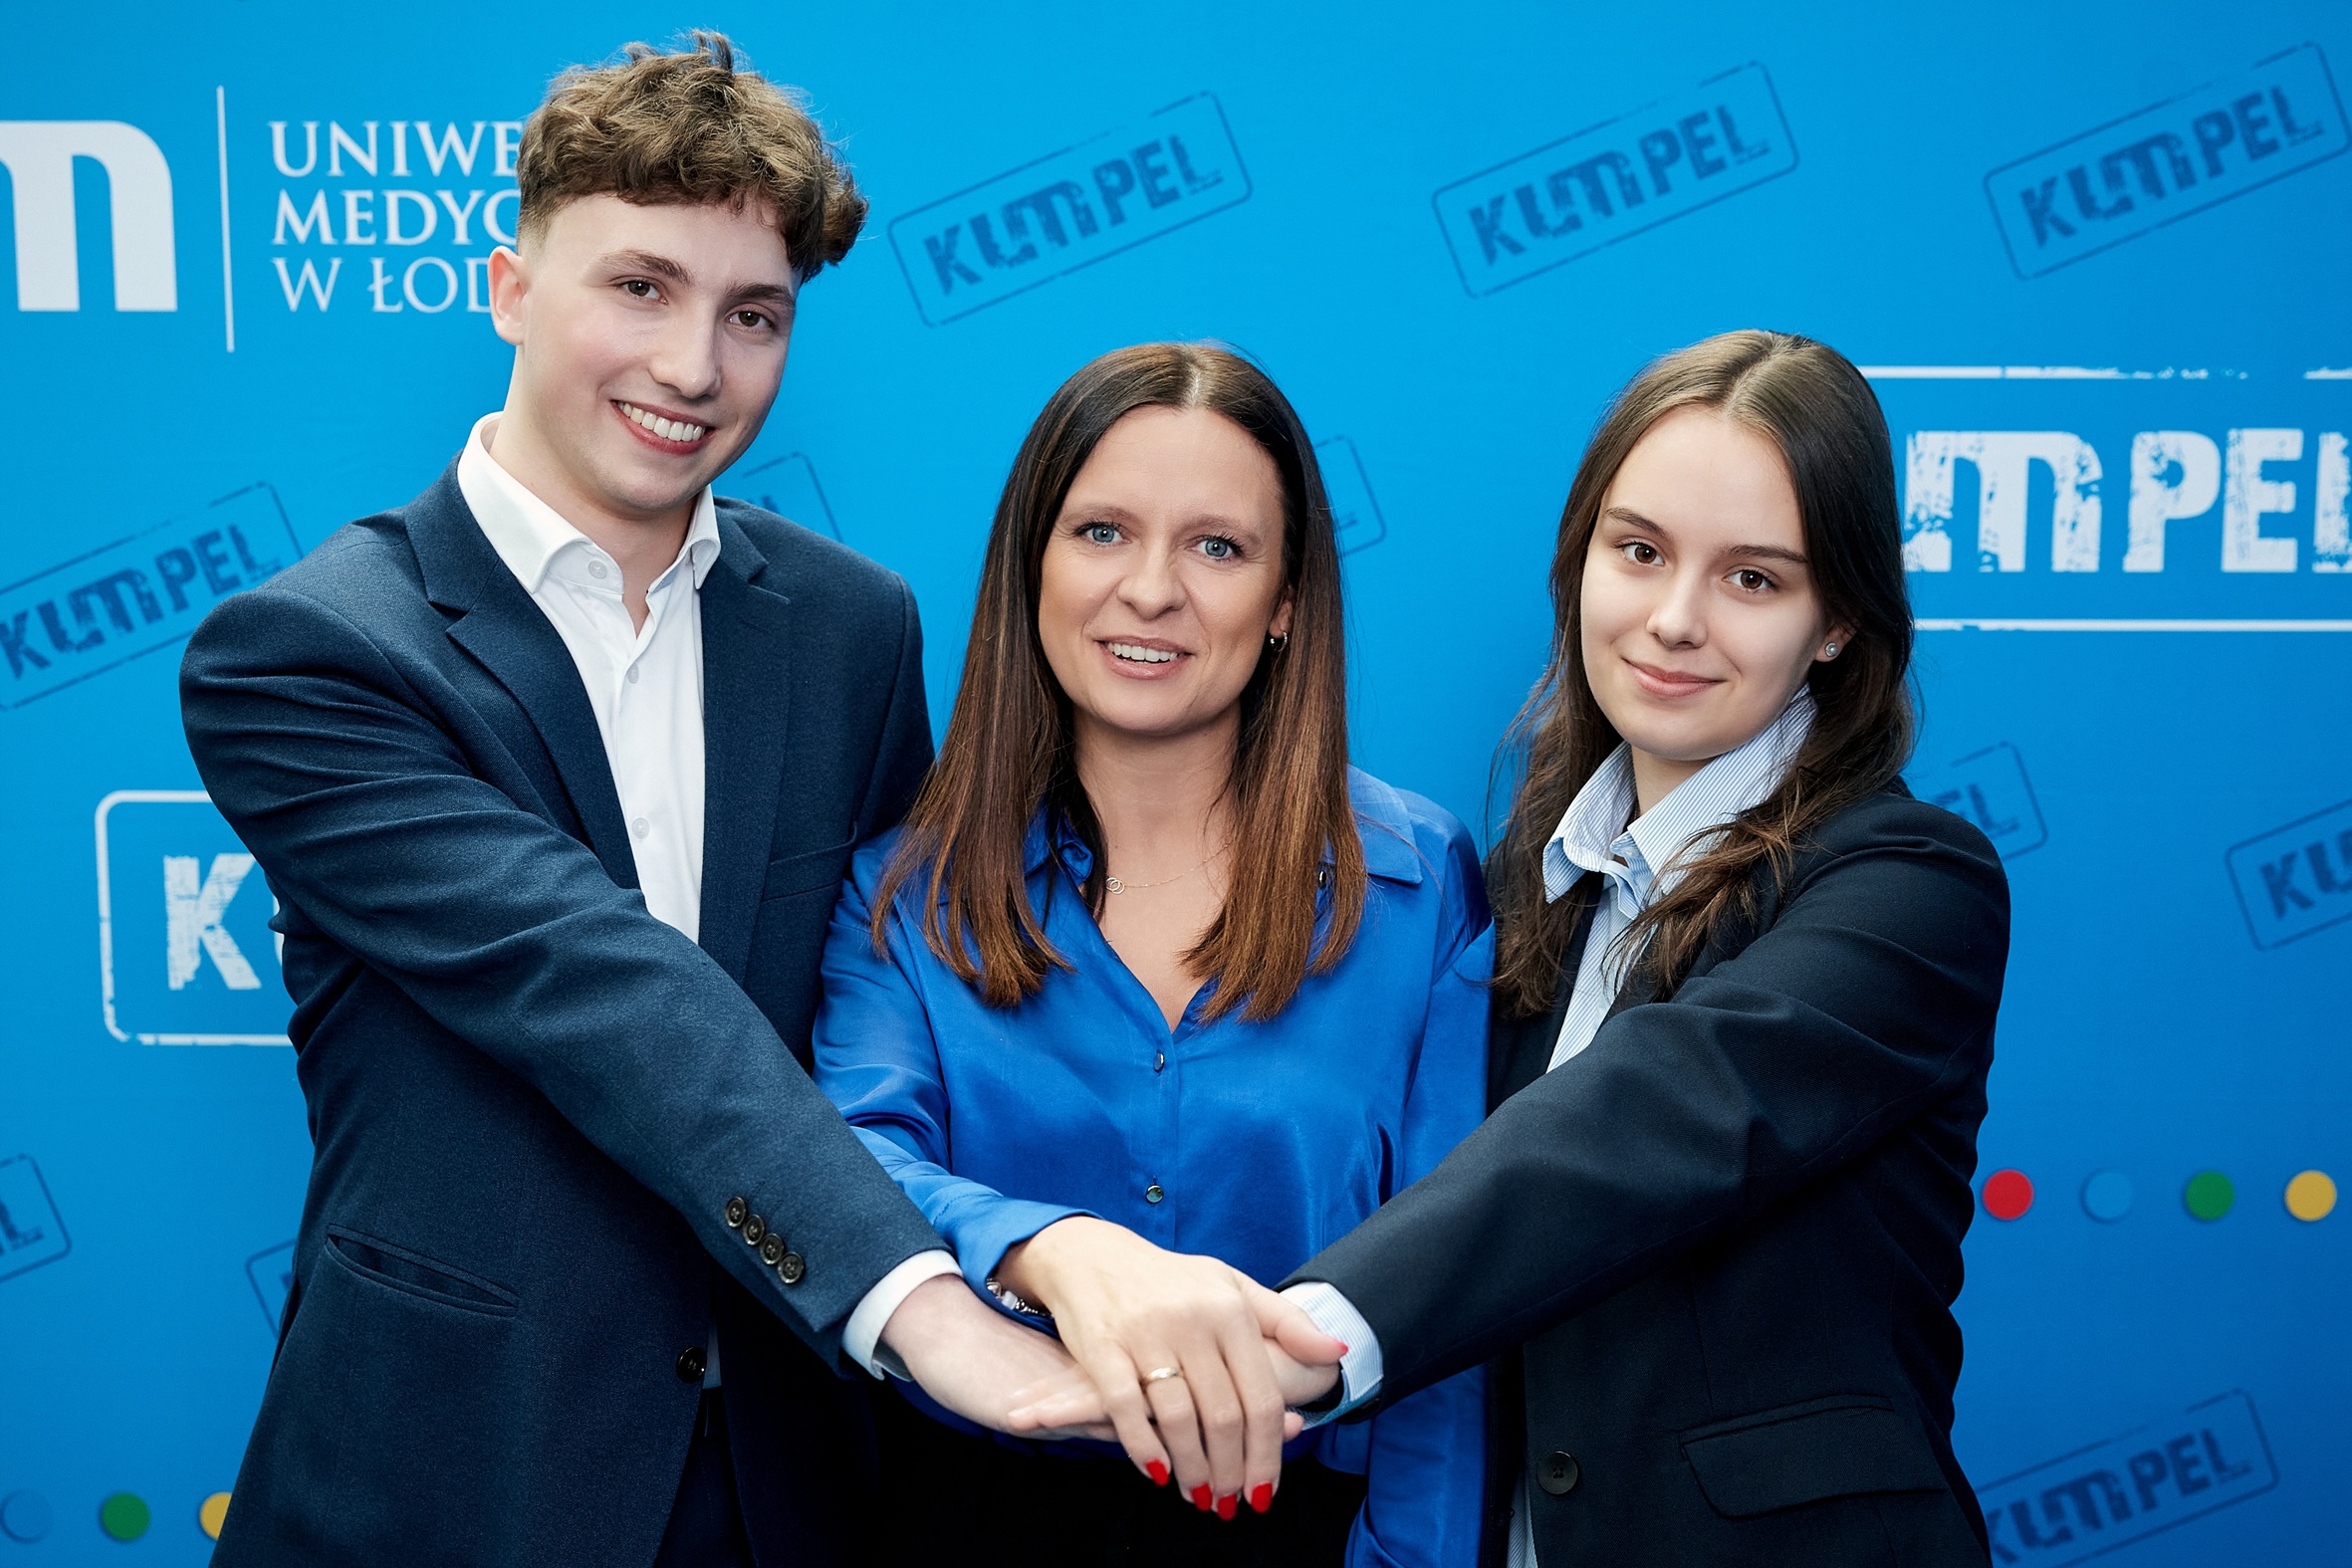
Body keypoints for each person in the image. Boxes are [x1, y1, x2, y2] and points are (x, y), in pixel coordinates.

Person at [179, 36, 1099, 1568]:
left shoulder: (852, 627)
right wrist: (926, 1304)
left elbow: (890, 1013)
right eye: (641, 287)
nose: (692, 367)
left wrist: (1078, 1254)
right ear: (508, 288)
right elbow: (601, 985)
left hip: (793, 1478)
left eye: (753, 315)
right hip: (455, 1471)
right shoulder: (312, 648)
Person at [1018, 330, 2011, 1564]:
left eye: (1753, 579)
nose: (1673, 620)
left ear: (1837, 623)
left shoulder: (1909, 886)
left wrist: (1298, 1343)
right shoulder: (1524, 892)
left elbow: (1643, 1125)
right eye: (1637, 552)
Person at [813, 342, 1488, 1566]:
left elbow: (1453, 1284)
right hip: (964, 1523)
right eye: (1101, 533)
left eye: (1216, 548)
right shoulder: (904, 892)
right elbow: (848, 1163)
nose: (1150, 591)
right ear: (1031, 565)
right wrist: (1052, 1250)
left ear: (1286, 602)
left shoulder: (1420, 881)